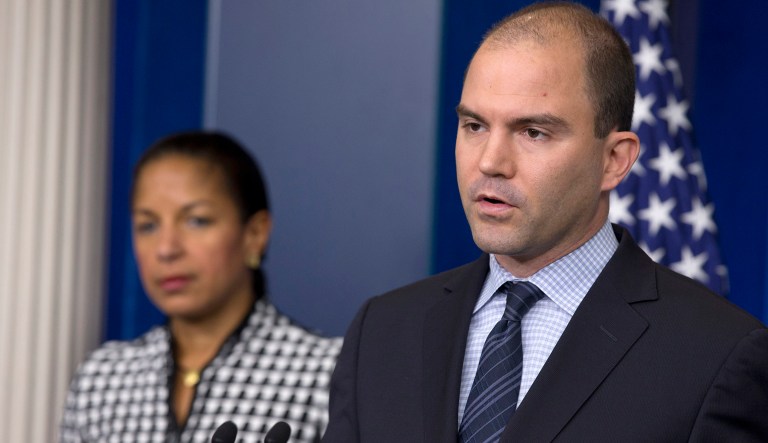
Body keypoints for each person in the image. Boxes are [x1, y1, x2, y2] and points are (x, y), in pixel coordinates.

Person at [323, 2, 768, 442]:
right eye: (474, 126)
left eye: (533, 132)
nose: (491, 163)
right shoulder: (382, 331)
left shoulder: (717, 356)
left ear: (614, 160)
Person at [60, 131, 342, 442]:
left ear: (255, 234)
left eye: (196, 220)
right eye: (148, 225)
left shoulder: (329, 373)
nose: (166, 248)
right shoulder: (102, 378)